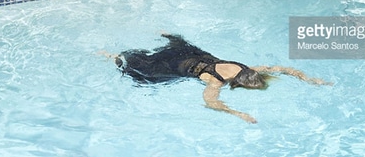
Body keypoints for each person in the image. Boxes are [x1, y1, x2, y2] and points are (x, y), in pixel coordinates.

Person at [110, 33, 329, 124]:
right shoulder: (216, 81)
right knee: (141, 74)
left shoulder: (244, 68)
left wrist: (309, 79)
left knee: (176, 43)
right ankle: (111, 56)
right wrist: (238, 113)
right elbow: (210, 102)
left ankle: (165, 33)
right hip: (177, 66)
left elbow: (281, 69)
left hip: (192, 53)